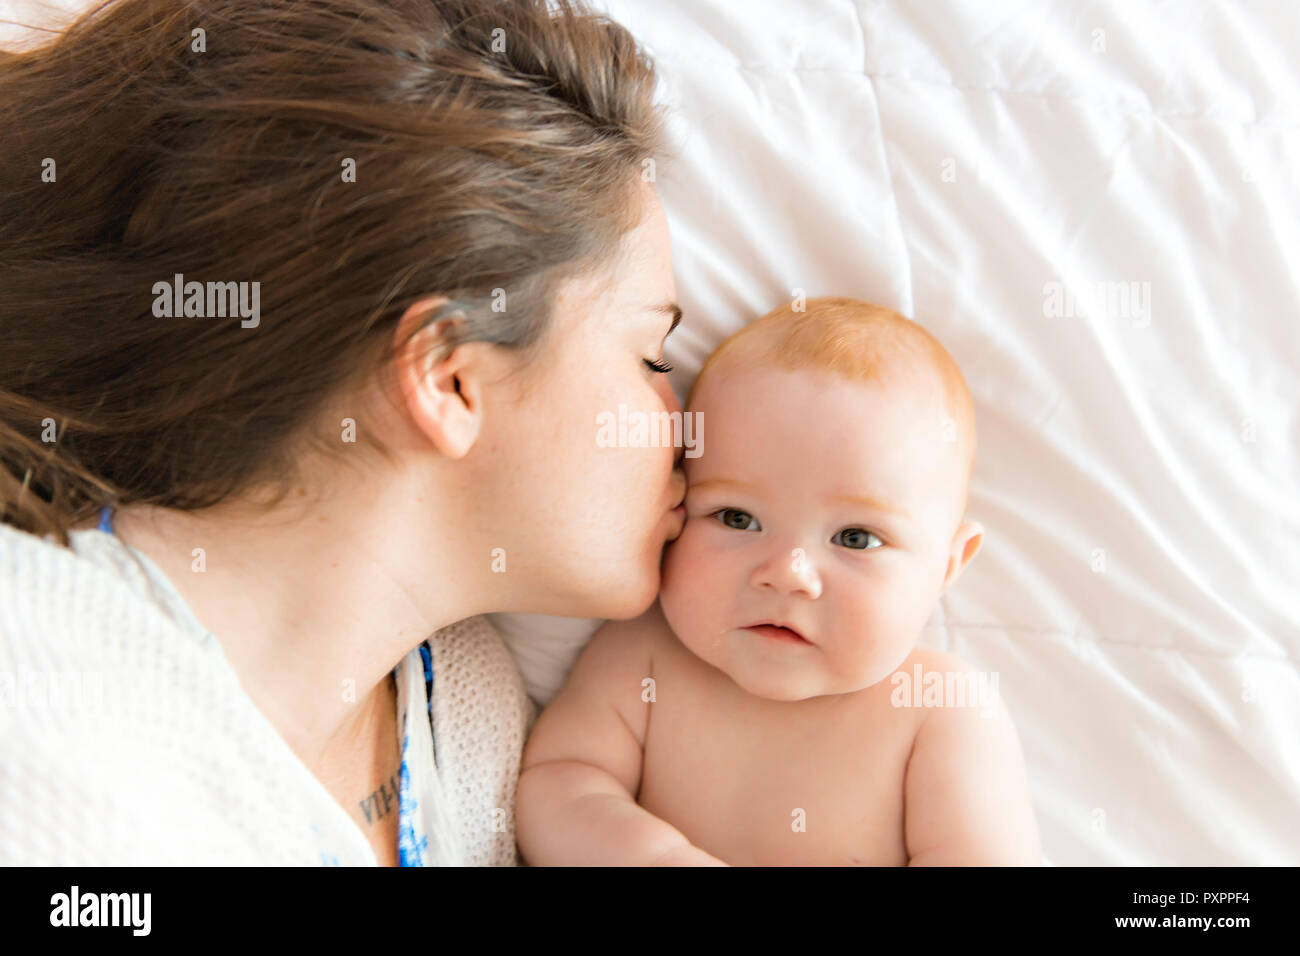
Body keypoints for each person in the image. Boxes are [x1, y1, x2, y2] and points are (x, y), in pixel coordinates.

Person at [0, 0, 685, 865]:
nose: (688, 426)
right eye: (652, 358)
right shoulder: (38, 697)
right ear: (450, 377)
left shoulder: (469, 717)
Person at [518, 298, 1042, 865]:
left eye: (856, 538)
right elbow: (557, 784)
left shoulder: (940, 712)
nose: (788, 574)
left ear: (947, 566)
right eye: (737, 518)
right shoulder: (644, 653)